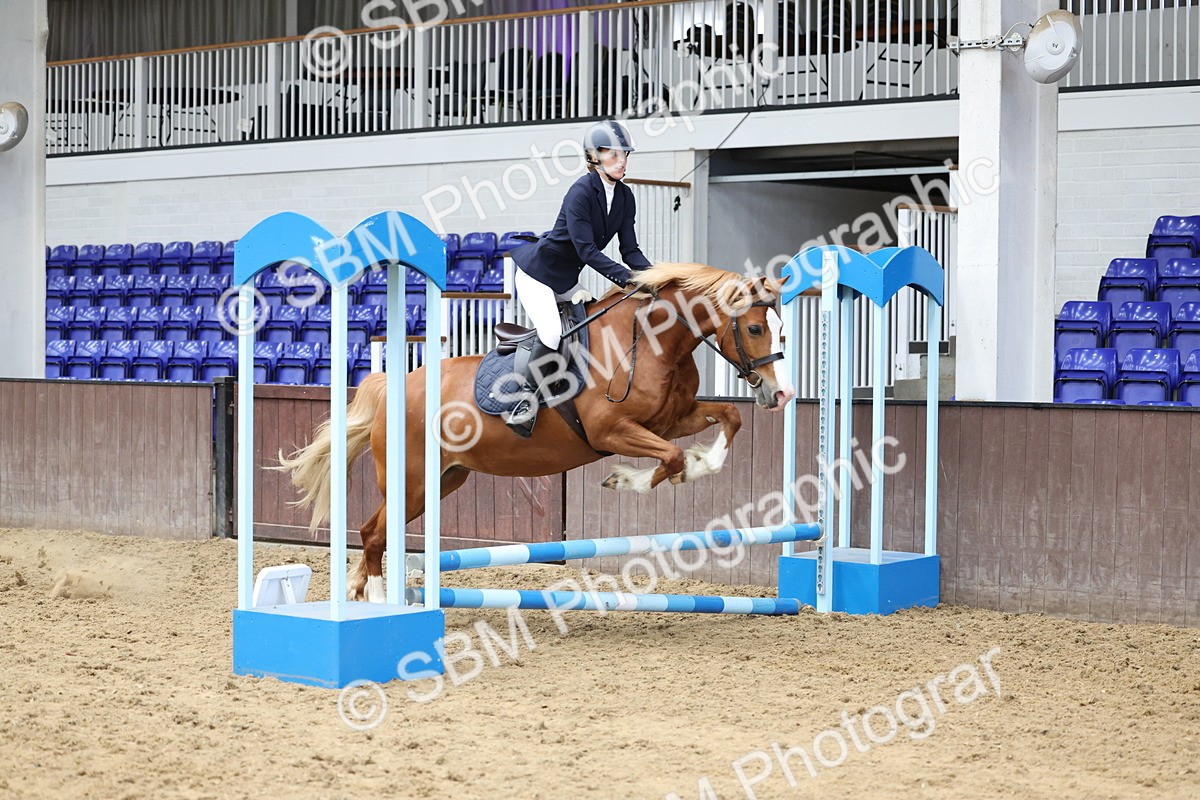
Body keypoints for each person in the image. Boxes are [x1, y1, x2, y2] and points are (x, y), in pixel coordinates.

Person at [503, 119, 652, 437]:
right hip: (538, 277)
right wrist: (626, 279)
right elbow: (586, 250)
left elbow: (630, 249)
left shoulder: (625, 197)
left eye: (625, 155)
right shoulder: (581, 192)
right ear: (594, 156)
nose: (622, 161)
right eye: (615, 155)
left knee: (596, 328)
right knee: (553, 333)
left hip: (567, 281)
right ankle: (523, 402)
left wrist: (654, 277)